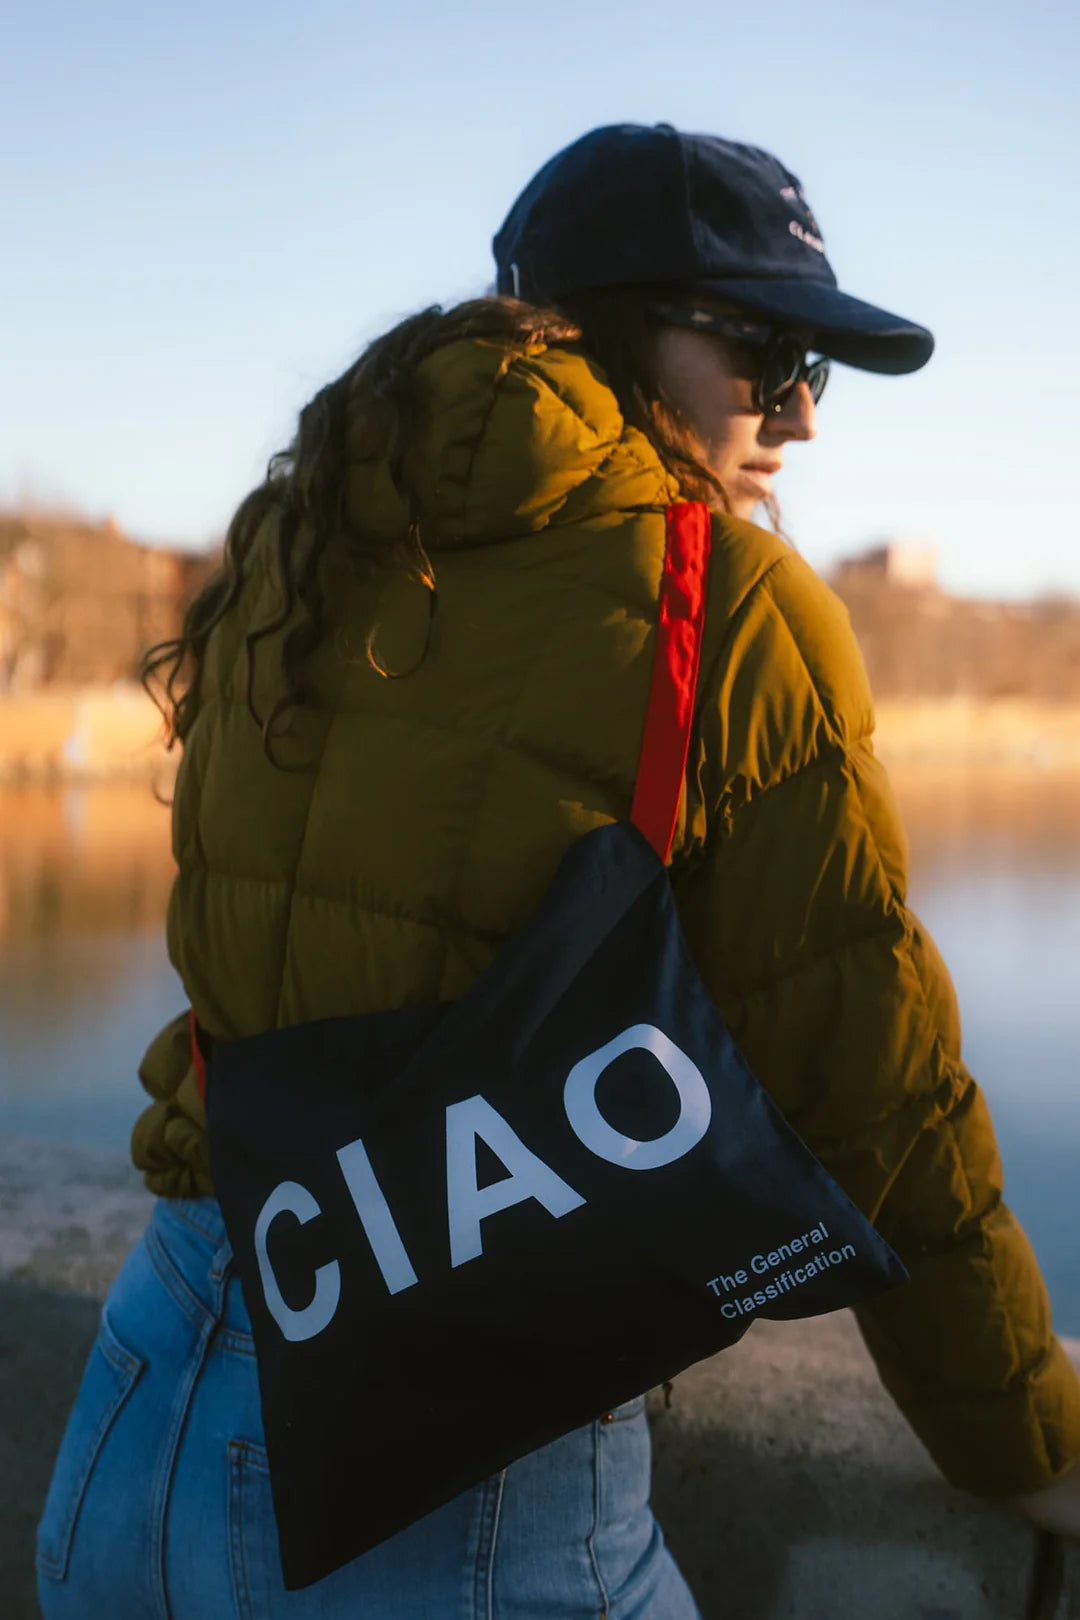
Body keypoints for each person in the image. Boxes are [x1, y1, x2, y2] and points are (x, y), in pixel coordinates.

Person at [37, 122, 1080, 1618]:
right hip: (445, 1479)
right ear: (607, 324)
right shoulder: (727, 602)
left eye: (816, 370)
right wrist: (1028, 1443)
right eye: (765, 353)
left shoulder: (301, 538)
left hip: (144, 1392)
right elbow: (885, 1104)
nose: (800, 415)